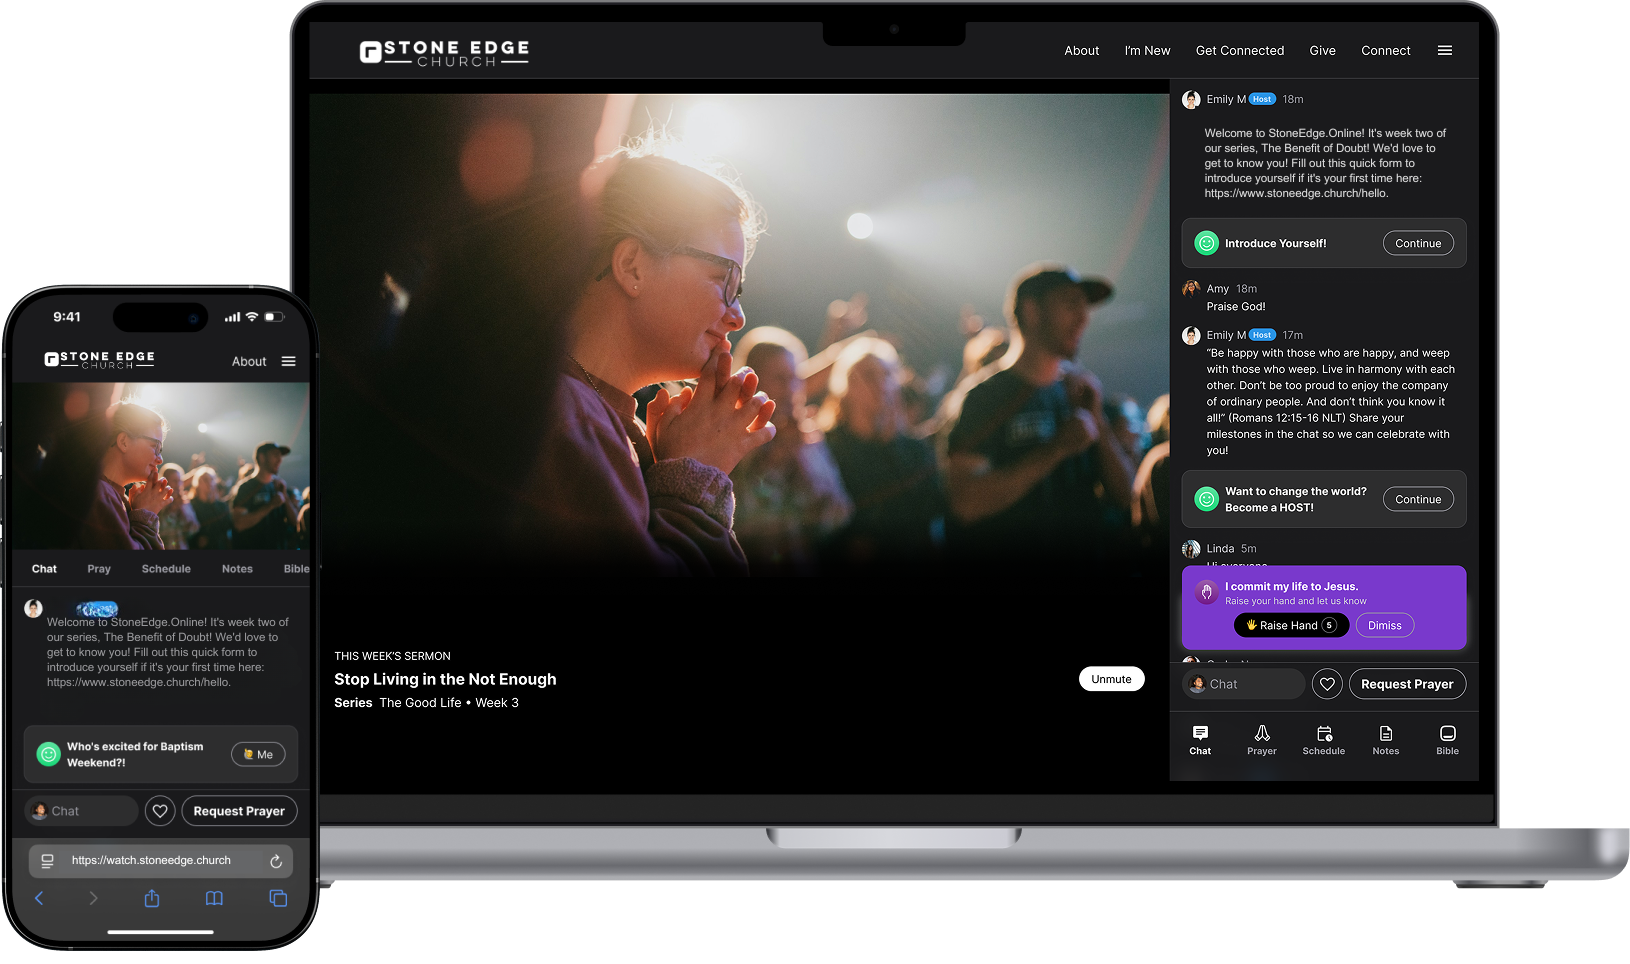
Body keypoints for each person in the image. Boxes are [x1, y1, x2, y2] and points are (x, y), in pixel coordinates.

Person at [523, 132, 776, 574]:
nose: (737, 316)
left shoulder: (593, 415)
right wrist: (693, 479)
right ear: (632, 266)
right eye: (726, 280)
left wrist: (668, 469)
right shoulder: (567, 418)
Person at [942, 263, 1136, 566]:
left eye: (1085, 307)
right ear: (1032, 312)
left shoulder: (1080, 392)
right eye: (1071, 305)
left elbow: (1125, 497)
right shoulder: (984, 397)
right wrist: (1057, 448)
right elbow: (965, 503)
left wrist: (1097, 419)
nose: (1084, 318)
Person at [727, 327, 852, 575]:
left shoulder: (810, 438)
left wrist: (803, 462)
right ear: (753, 382)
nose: (792, 389)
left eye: (796, 378)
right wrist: (776, 459)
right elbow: (738, 523)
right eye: (781, 378)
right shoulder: (732, 437)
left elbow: (840, 515)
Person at [820, 337, 947, 568]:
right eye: (869, 375)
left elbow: (930, 519)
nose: (881, 384)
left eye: (888, 375)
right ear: (845, 385)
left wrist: (893, 445)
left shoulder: (915, 451)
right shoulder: (826, 448)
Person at [79, 401, 173, 549]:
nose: (160, 459)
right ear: (124, 442)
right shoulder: (101, 495)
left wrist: (135, 512)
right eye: (155, 447)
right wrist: (144, 516)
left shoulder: (108, 494)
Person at [230, 442, 300, 550]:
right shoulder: (246, 487)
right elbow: (239, 524)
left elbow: (295, 522)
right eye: (275, 455)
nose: (280, 460)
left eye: (280, 456)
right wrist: (270, 505)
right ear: (262, 458)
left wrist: (285, 496)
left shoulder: (279, 486)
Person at [156, 462, 200, 550]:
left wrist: (183, 511)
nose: (178, 485)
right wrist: (173, 509)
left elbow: (194, 529)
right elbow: (159, 532)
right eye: (175, 481)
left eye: (180, 481)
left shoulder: (184, 502)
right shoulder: (157, 502)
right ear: (165, 482)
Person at [187, 466, 233, 549]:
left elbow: (227, 527)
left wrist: (213, 504)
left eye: (212, 480)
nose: (209, 483)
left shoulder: (221, 506)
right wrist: (197, 539)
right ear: (197, 483)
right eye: (205, 480)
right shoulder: (190, 505)